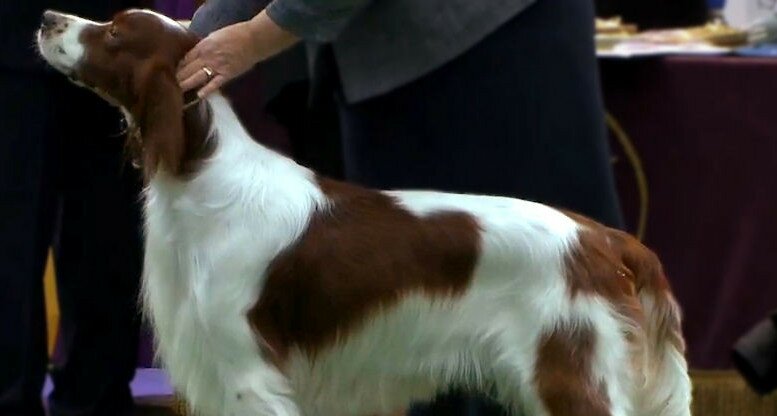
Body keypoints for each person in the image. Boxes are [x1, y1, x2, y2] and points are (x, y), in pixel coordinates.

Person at [181, 0, 623, 414]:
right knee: (430, 351)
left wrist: (255, 37)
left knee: (553, 337)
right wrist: (198, 34)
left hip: (485, 47)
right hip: (389, 64)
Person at [0, 1, 145, 415]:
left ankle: (97, 398)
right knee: (11, 239)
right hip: (9, 41)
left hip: (111, 36)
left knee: (109, 239)